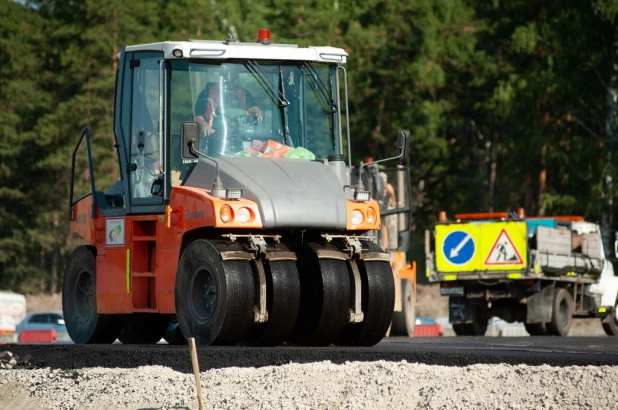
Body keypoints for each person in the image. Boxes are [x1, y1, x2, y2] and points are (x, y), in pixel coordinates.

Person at [194, 68, 263, 137]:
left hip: (239, 133)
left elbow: (253, 107)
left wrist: (258, 113)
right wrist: (204, 125)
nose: (232, 77)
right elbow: (198, 116)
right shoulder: (207, 92)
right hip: (213, 134)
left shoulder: (243, 93)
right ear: (222, 75)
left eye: (234, 74)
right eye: (228, 74)